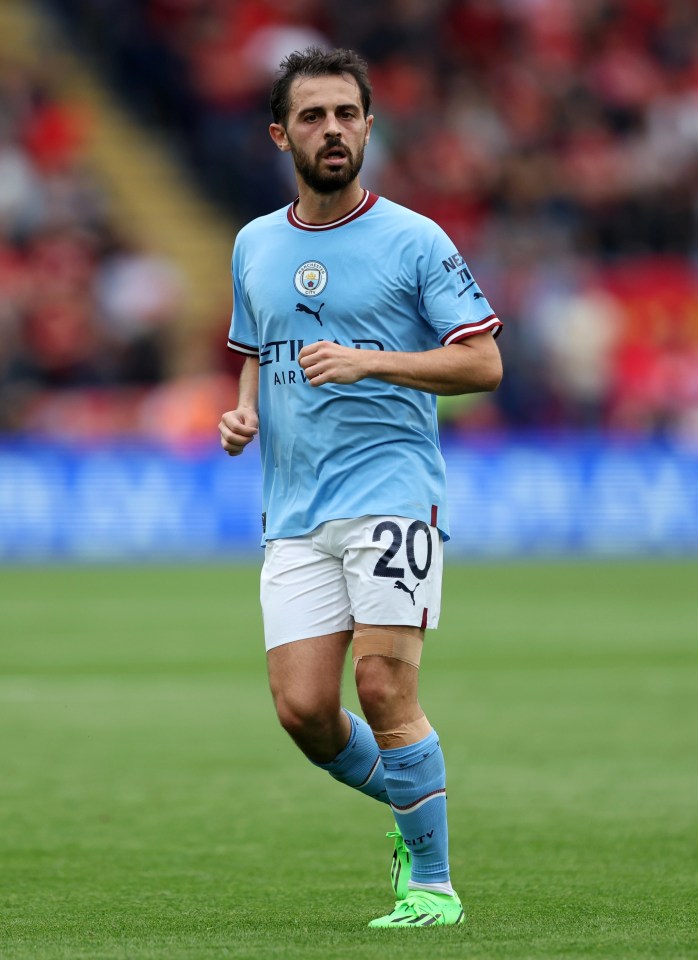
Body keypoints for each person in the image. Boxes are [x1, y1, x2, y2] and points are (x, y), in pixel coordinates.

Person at [219, 46, 502, 929]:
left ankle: (433, 885)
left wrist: (370, 360)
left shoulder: (417, 239)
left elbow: (484, 362)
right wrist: (243, 414)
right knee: (304, 710)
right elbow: (253, 353)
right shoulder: (254, 244)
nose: (333, 130)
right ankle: (416, 813)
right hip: (295, 508)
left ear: (369, 126)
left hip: (391, 490)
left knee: (383, 687)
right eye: (313, 116)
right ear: (281, 134)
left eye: (347, 114)